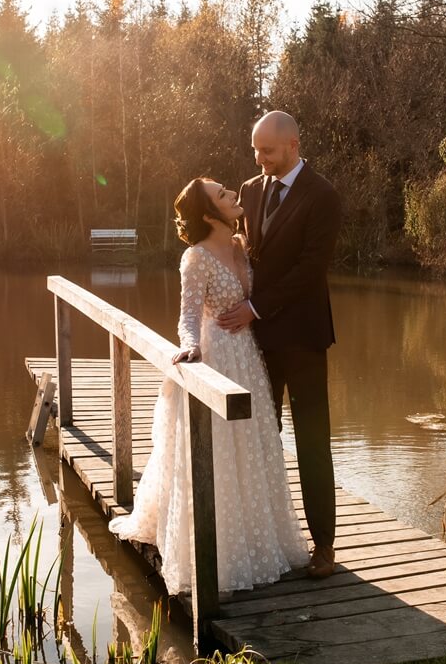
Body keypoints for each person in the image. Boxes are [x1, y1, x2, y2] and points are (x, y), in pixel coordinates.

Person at [108, 178, 308, 593]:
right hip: (217, 356)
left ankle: (259, 540)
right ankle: (219, 551)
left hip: (249, 359)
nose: (234, 195)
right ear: (207, 213)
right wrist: (190, 345)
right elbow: (187, 314)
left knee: (252, 448)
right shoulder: (195, 257)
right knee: (217, 451)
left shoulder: (240, 244)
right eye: (223, 195)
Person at [217, 111, 342, 579]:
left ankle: (324, 547)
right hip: (258, 343)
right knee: (256, 440)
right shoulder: (250, 190)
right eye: (255, 149)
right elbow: (249, 256)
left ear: (292, 144)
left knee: (313, 441)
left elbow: (309, 271)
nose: (258, 158)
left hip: (304, 338)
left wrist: (255, 307)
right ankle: (262, 537)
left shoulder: (323, 196)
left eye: (266, 150)